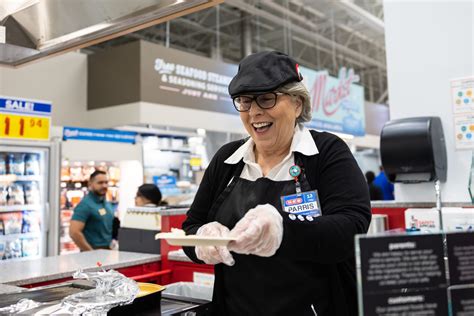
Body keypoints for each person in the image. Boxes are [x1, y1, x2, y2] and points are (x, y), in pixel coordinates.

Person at [182, 51, 371, 316]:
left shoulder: (326, 152)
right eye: (245, 101)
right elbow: (191, 225)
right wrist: (202, 241)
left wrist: (283, 230)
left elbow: (352, 226)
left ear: (297, 104)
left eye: (267, 98)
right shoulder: (227, 159)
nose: (255, 111)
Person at [70, 170, 115, 251]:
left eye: (106, 182)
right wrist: (90, 252)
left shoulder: (107, 203)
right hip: (92, 253)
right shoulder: (85, 205)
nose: (104, 185)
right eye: (100, 183)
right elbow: (74, 232)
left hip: (107, 251)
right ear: (90, 184)